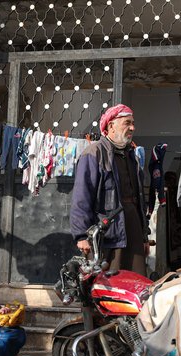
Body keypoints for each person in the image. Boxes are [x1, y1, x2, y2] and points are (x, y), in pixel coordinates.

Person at [70, 104, 149, 276]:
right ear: (111, 126)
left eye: (133, 123)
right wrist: (81, 235)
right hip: (106, 232)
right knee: (104, 286)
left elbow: (139, 199)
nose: (132, 128)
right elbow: (82, 196)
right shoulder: (94, 153)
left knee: (135, 284)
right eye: (127, 123)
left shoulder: (131, 156)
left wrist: (144, 237)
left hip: (132, 229)